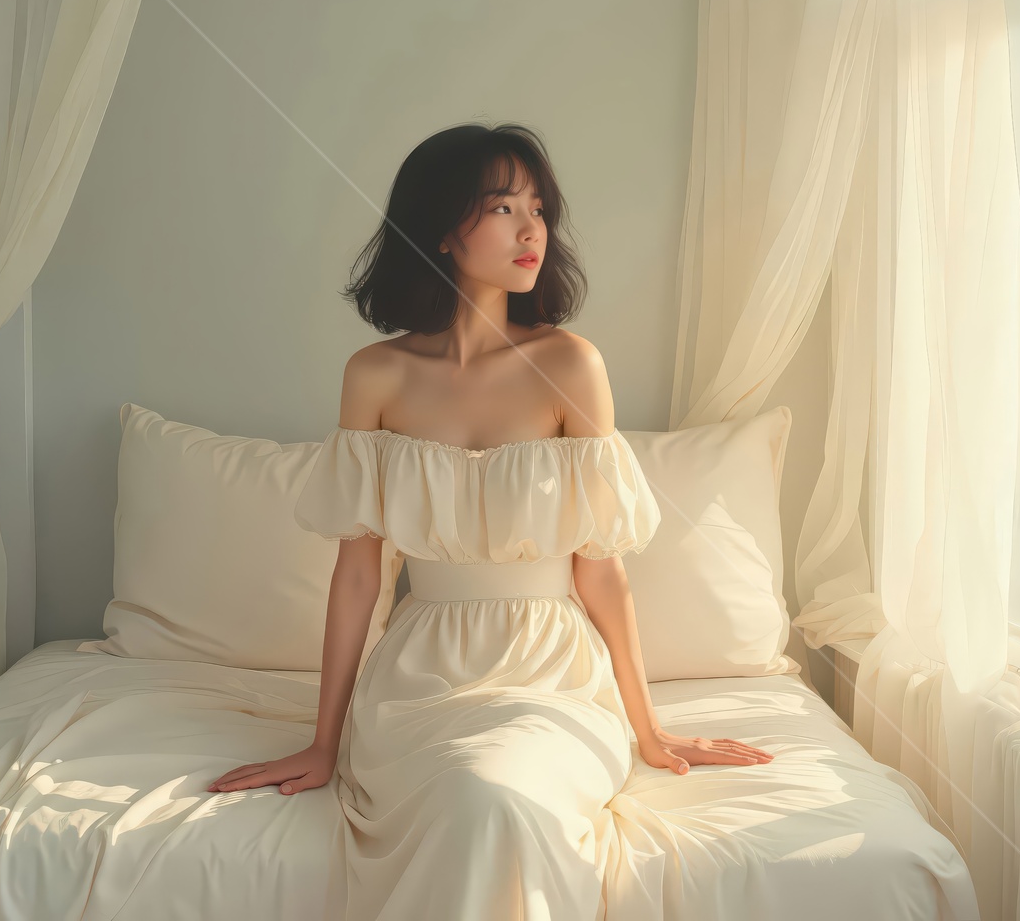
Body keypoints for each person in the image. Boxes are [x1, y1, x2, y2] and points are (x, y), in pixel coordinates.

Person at [206, 121, 774, 918]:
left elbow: (600, 569)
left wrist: (649, 728)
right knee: (464, 797)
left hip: (552, 673)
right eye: (504, 206)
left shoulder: (573, 364)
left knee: (494, 798)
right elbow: (359, 574)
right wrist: (324, 741)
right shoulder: (375, 375)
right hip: (419, 675)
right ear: (443, 227)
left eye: (538, 207)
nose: (532, 227)